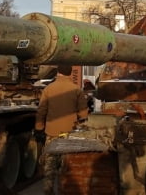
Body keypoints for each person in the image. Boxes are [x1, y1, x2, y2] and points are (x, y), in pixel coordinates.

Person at [34, 65, 88, 195]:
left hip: (52, 133)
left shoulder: (48, 89)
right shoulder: (77, 90)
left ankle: (48, 190)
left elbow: (41, 111)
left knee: (50, 166)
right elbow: (83, 114)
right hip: (69, 134)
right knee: (67, 166)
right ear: (70, 74)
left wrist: (39, 128)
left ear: (58, 73)